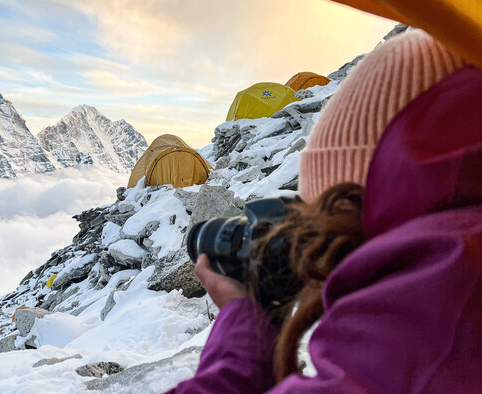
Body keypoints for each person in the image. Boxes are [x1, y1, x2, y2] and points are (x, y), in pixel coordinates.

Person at [169, 29, 482, 393]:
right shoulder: (454, 292)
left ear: (354, 202)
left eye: (320, 218)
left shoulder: (423, 334)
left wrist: (243, 331)